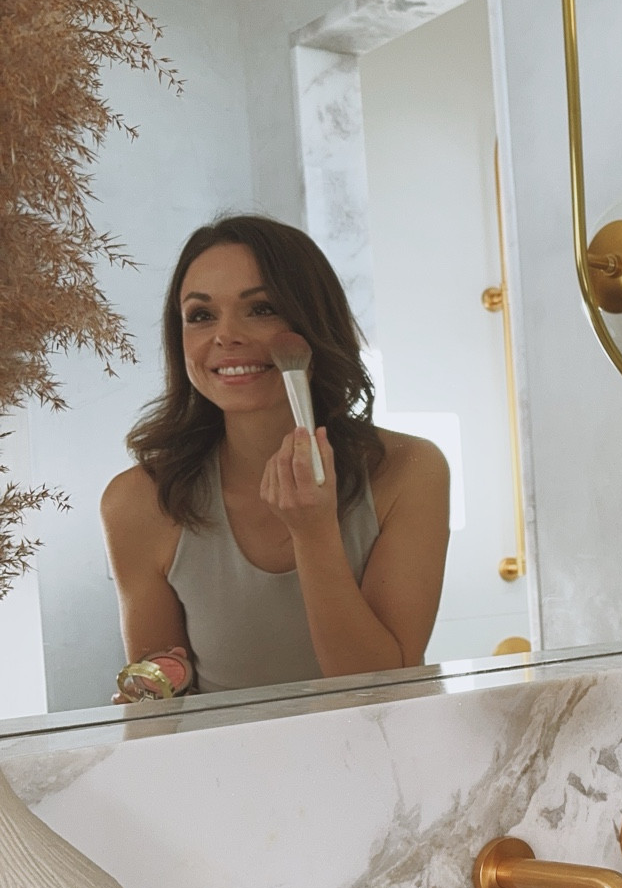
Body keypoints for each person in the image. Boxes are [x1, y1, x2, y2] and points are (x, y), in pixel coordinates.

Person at [102, 215, 449, 697]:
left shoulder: (409, 471)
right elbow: (165, 695)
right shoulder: (139, 501)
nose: (226, 336)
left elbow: (378, 688)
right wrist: (150, 686)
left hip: (383, 761)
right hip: (225, 770)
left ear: (311, 321)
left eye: (261, 308)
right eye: (201, 315)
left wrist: (313, 532)